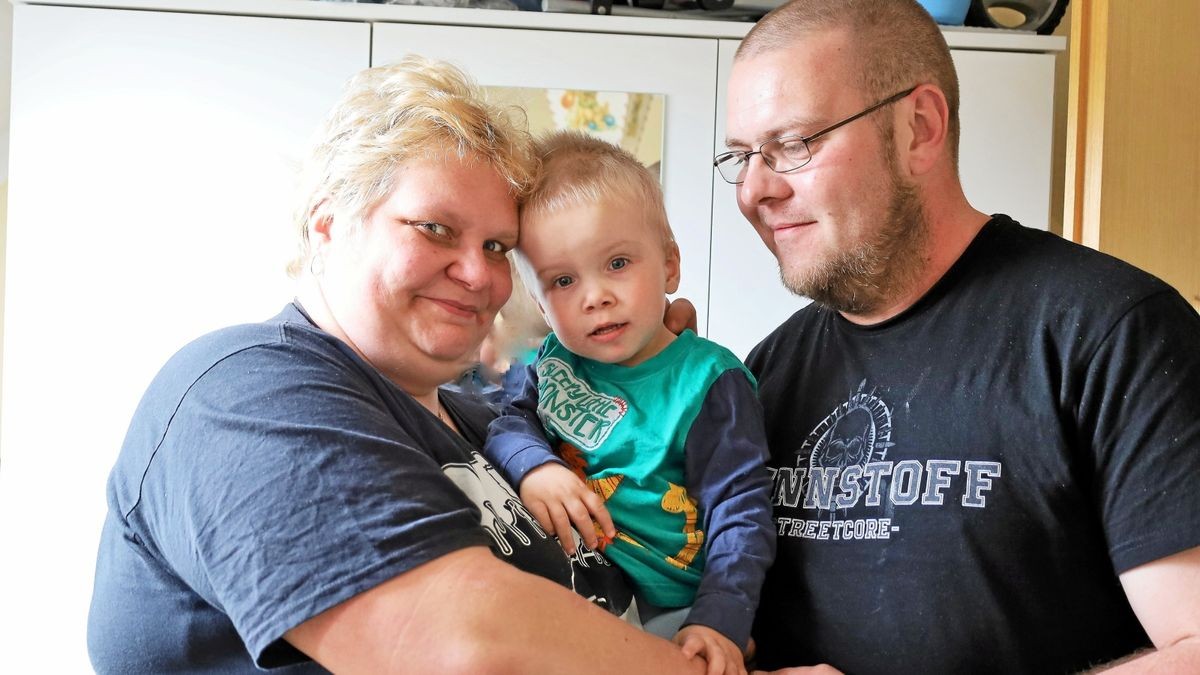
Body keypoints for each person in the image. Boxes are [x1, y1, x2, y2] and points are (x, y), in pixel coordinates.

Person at [84, 55, 826, 675]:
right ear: (330, 222)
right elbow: (462, 643)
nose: (479, 275)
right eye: (435, 228)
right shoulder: (241, 390)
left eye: (498, 247)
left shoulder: (480, 418)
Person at [709, 0, 1200, 672]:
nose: (752, 191)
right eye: (741, 156)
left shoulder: (1113, 333)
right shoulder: (768, 370)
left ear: (920, 128)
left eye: (792, 144)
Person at [484, 131, 776, 674]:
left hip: (676, 602)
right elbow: (506, 425)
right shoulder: (550, 359)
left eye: (617, 263)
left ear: (669, 265)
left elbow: (741, 511)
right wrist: (536, 468)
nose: (595, 296)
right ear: (543, 308)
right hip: (583, 593)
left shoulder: (709, 382)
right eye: (563, 280)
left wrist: (720, 618)